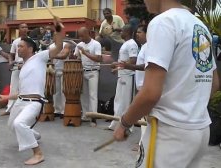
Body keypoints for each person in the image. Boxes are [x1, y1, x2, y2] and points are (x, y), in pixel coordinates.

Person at [113, 1, 220, 168]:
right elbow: (214, 83)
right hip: (200, 131)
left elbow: (150, 93)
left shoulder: (163, 22)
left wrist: (125, 123)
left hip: (170, 134)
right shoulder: (200, 26)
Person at [0, 17, 64, 165]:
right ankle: (35, 135)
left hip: (34, 102)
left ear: (30, 48)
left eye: (21, 46)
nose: (18, 48)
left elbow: (58, 47)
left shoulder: (39, 57)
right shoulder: (23, 67)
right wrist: (6, 97)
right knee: (11, 125)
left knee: (19, 124)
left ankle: (38, 153)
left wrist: (59, 29)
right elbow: (21, 92)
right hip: (21, 101)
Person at [108, 24, 138, 130]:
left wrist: (117, 65)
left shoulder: (132, 44)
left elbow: (133, 60)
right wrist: (117, 66)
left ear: (128, 32)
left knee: (126, 102)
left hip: (128, 75)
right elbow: (124, 60)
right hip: (122, 75)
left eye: (122, 32)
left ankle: (127, 127)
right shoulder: (125, 43)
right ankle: (116, 124)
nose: (121, 33)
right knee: (118, 100)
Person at [74, 27, 102, 127]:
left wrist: (85, 52)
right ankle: (85, 115)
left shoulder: (96, 44)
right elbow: (76, 57)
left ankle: (93, 117)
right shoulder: (79, 45)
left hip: (93, 72)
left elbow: (98, 58)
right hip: (83, 71)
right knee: (83, 94)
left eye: (82, 35)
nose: (81, 38)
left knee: (93, 95)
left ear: (88, 33)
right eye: (79, 36)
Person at [1, 23, 29, 116]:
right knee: (13, 87)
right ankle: (9, 109)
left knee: (25, 88)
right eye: (22, 27)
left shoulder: (31, 41)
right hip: (16, 66)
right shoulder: (16, 41)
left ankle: (24, 109)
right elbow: (11, 54)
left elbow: (33, 55)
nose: (24, 29)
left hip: (27, 66)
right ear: (19, 29)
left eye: (26, 27)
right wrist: (10, 61)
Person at [49, 41, 71, 118]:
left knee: (63, 91)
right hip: (55, 70)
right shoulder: (51, 46)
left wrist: (53, 55)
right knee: (56, 92)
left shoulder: (66, 45)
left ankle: (64, 111)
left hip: (64, 69)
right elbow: (50, 59)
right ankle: (57, 110)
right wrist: (51, 66)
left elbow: (64, 55)